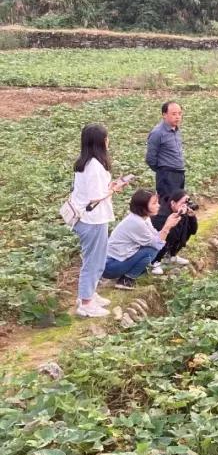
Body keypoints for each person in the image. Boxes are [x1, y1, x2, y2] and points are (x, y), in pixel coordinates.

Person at [70, 124, 130, 317]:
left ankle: (88, 294)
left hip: (87, 218)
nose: (108, 140)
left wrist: (109, 186)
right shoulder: (94, 166)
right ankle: (86, 303)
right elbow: (96, 196)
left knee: (94, 259)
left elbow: (94, 191)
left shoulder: (86, 163)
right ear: (100, 142)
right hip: (92, 220)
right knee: (93, 261)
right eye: (106, 138)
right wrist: (114, 188)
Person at [103, 190, 182, 289]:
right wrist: (167, 227)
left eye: (157, 202)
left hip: (115, 262)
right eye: (154, 203)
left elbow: (156, 237)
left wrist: (167, 225)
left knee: (151, 249)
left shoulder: (144, 218)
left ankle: (128, 274)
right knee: (151, 250)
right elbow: (157, 244)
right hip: (109, 266)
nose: (158, 205)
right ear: (142, 206)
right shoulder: (136, 222)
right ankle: (126, 279)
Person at [145, 102, 185, 222]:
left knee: (178, 202)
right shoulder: (157, 133)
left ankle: (175, 230)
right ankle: (162, 233)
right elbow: (150, 158)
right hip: (167, 175)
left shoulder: (176, 130)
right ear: (164, 115)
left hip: (179, 173)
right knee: (166, 205)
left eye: (179, 114)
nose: (177, 117)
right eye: (173, 114)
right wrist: (162, 170)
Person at [149, 190, 198, 273]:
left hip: (166, 240)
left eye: (187, 203)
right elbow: (168, 236)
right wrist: (180, 216)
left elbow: (193, 231)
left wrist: (192, 217)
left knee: (185, 230)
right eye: (182, 203)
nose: (185, 206)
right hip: (153, 243)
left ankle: (172, 255)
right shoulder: (161, 215)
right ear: (173, 203)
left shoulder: (181, 212)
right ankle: (155, 261)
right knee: (170, 235)